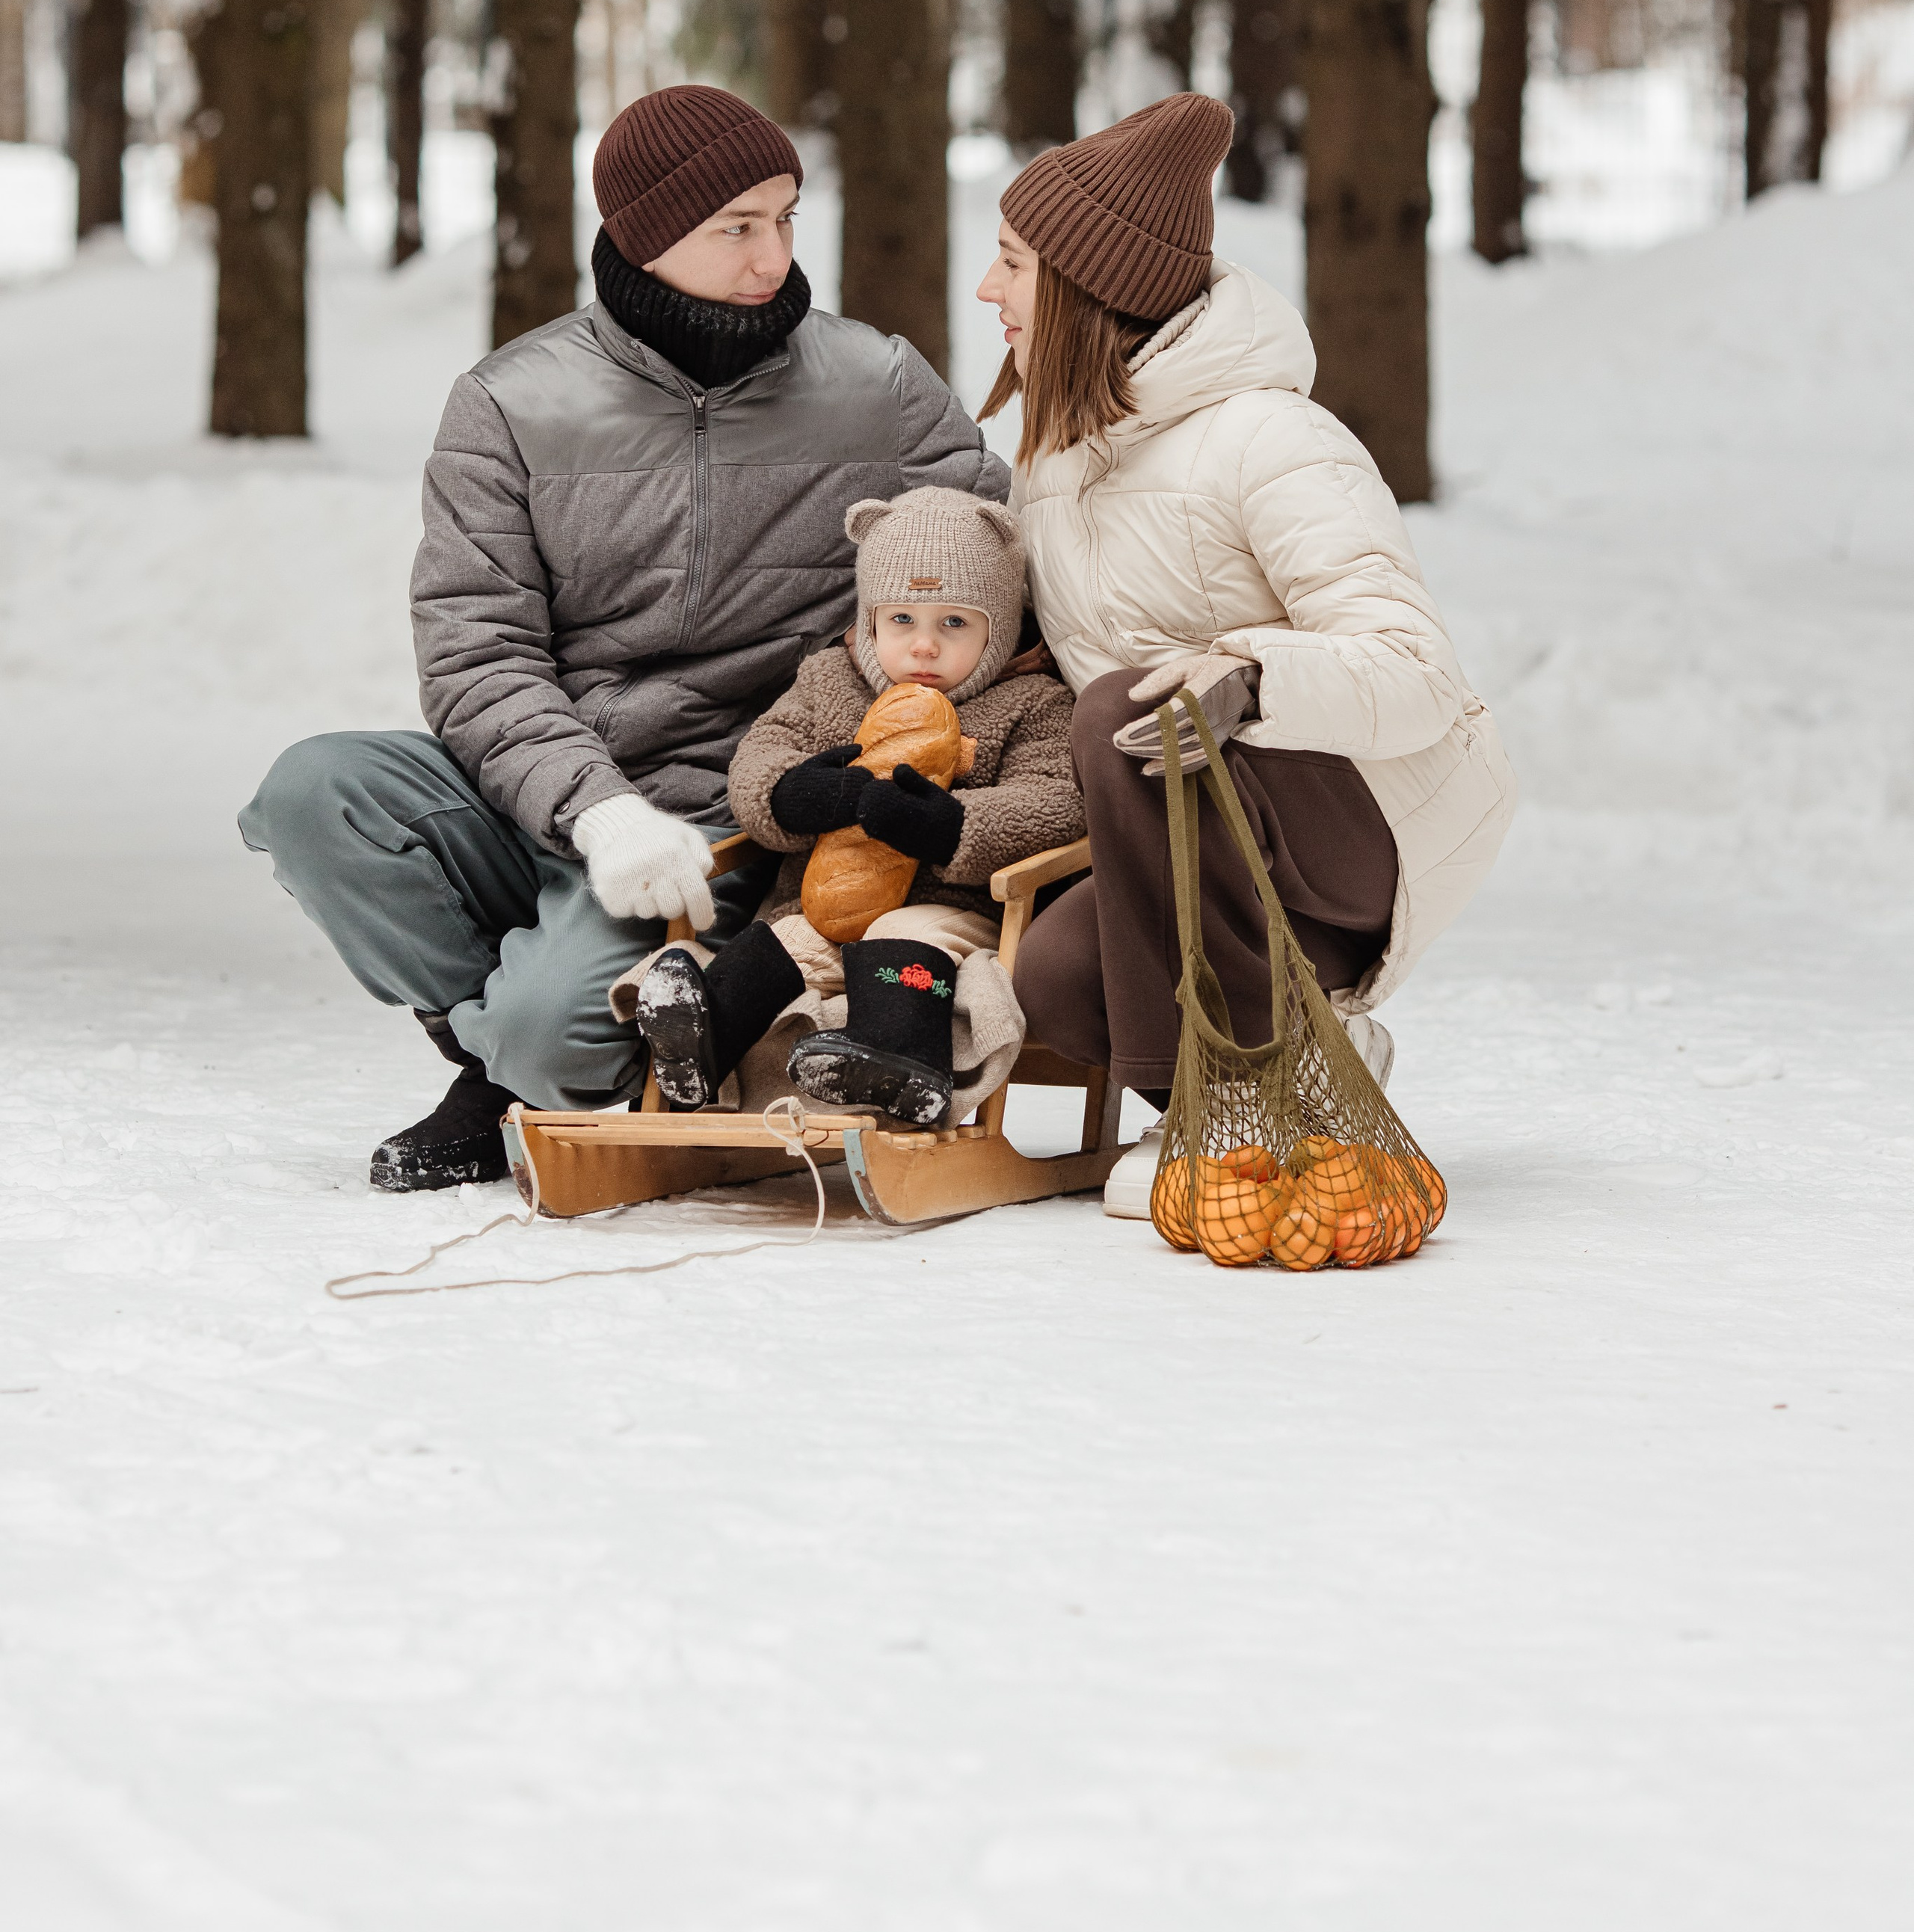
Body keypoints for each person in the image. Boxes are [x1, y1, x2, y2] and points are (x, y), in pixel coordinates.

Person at [241, 85, 1009, 1190]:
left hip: (731, 817)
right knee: (315, 790)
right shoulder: (512, 402)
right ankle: (498, 1050)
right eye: (736, 227)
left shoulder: (874, 388)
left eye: (786, 218)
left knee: (559, 1035)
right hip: (553, 790)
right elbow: (475, 649)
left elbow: (993, 553)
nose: (772, 256)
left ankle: (521, 1057)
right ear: (645, 238)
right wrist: (596, 811)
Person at [974, 90, 1517, 1219]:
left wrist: (1251, 675)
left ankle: (1211, 1113)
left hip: (1364, 816)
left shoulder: (1271, 437)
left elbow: (1414, 668)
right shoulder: (1058, 458)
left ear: (1088, 285)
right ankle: (1319, 1044)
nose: (988, 291)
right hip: (1199, 827)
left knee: (1134, 708)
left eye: (1013, 265)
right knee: (1050, 989)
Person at [617, 488, 1083, 1130]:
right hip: (828, 902)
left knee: (908, 935)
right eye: (902, 622)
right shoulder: (828, 682)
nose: (924, 647)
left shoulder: (1032, 703)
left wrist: (952, 826)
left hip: (957, 909)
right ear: (869, 621)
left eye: (955, 623)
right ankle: (703, 1047)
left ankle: (901, 1062)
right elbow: (760, 757)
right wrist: (790, 793)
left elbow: (1056, 802)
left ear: (998, 627)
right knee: (787, 940)